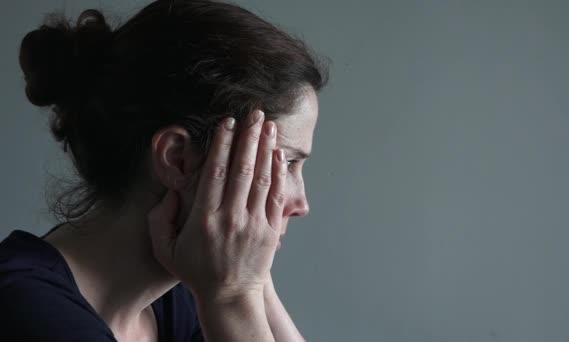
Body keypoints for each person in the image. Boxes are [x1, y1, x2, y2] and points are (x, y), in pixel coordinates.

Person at [0, 0, 329, 340]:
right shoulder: (25, 308)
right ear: (177, 158)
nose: (300, 203)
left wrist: (254, 285)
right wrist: (233, 293)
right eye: (287, 162)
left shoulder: (185, 294)